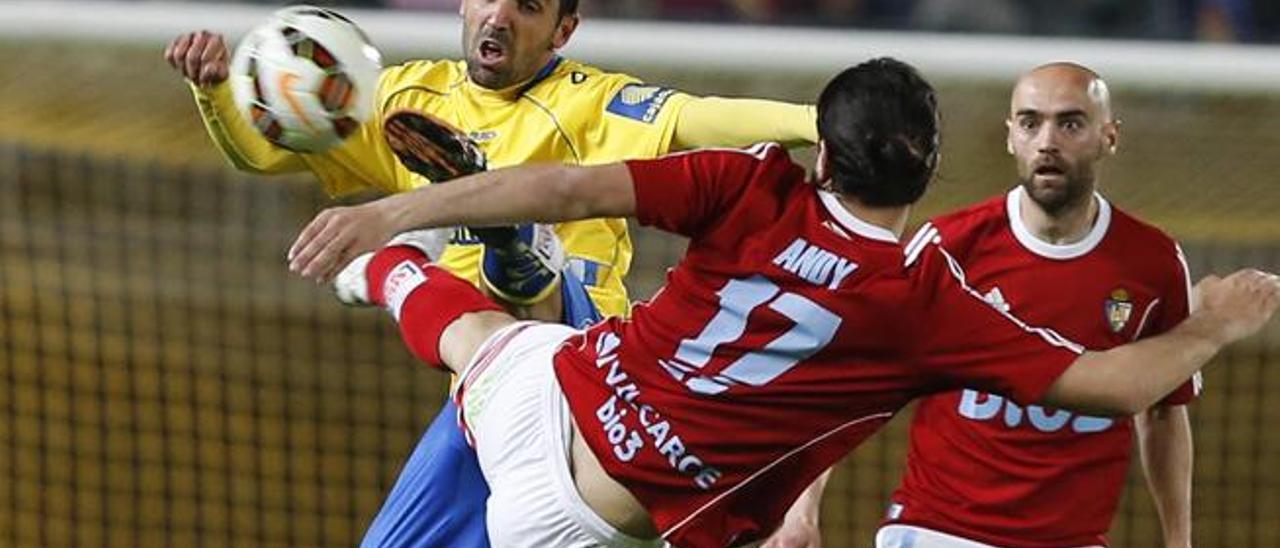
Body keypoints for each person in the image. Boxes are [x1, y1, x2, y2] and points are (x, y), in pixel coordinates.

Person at [285, 57, 1280, 547]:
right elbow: (1108, 386)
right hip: (582, 520)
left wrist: (395, 209)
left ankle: (388, 265)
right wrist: (1212, 322)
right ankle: (395, 267)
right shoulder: (918, 298)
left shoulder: (746, 181)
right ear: (928, 168)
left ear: (819, 150)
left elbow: (561, 186)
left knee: (479, 333)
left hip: (553, 387)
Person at [163, 2, 817, 546]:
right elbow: (266, 155)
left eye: (528, 6)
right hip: (484, 390)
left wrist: (820, 125)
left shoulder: (596, 104)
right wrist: (216, 91)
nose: (500, 13)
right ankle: (477, 252)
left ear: (564, 31)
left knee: (526, 296)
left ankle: (505, 252)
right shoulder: (407, 97)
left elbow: (706, 117)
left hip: (586, 370)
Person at [869, 63, 1197, 548]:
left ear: (1109, 136)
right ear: (1009, 137)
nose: (1047, 141)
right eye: (1029, 122)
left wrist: (1179, 541)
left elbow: (1165, 413)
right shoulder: (948, 246)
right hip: (939, 529)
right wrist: (801, 506)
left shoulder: (1154, 263)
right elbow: (851, 372)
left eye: (1070, 123)